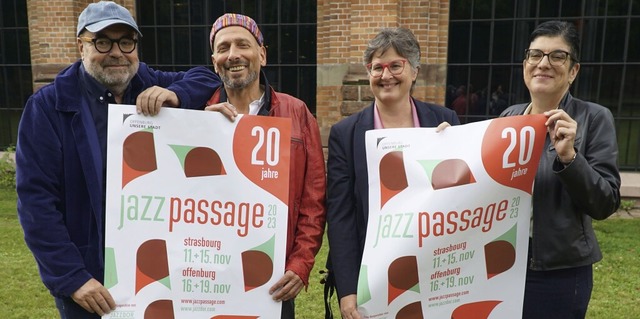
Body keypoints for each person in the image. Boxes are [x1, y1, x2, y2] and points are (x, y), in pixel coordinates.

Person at [15, 1, 220, 318]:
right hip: (91, 284)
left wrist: (175, 94)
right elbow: (36, 202)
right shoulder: (49, 107)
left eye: (126, 42)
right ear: (80, 45)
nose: (117, 52)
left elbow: (206, 79)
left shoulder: (150, 81)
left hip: (155, 277)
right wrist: (73, 278)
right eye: (102, 41)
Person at [324, 27, 460, 319]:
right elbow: (340, 216)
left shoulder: (445, 122)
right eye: (377, 67)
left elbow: (460, 198)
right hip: (371, 276)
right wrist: (347, 291)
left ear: (414, 71)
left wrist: (455, 154)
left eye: (395, 65)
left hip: (433, 269)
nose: (386, 76)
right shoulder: (345, 135)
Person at [205, 13, 326, 318]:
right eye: (223, 48)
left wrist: (300, 265)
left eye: (242, 45)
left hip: (273, 279)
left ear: (262, 54)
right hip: (208, 276)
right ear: (214, 59)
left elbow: (314, 201)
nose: (233, 55)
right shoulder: (196, 112)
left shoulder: (296, 112)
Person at [500, 20, 620, 319]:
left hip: (559, 271)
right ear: (525, 64)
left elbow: (605, 202)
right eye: (535, 55)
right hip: (503, 262)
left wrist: (570, 158)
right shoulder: (509, 118)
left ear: (573, 71)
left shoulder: (593, 118)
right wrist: (449, 148)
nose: (544, 63)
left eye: (557, 56)